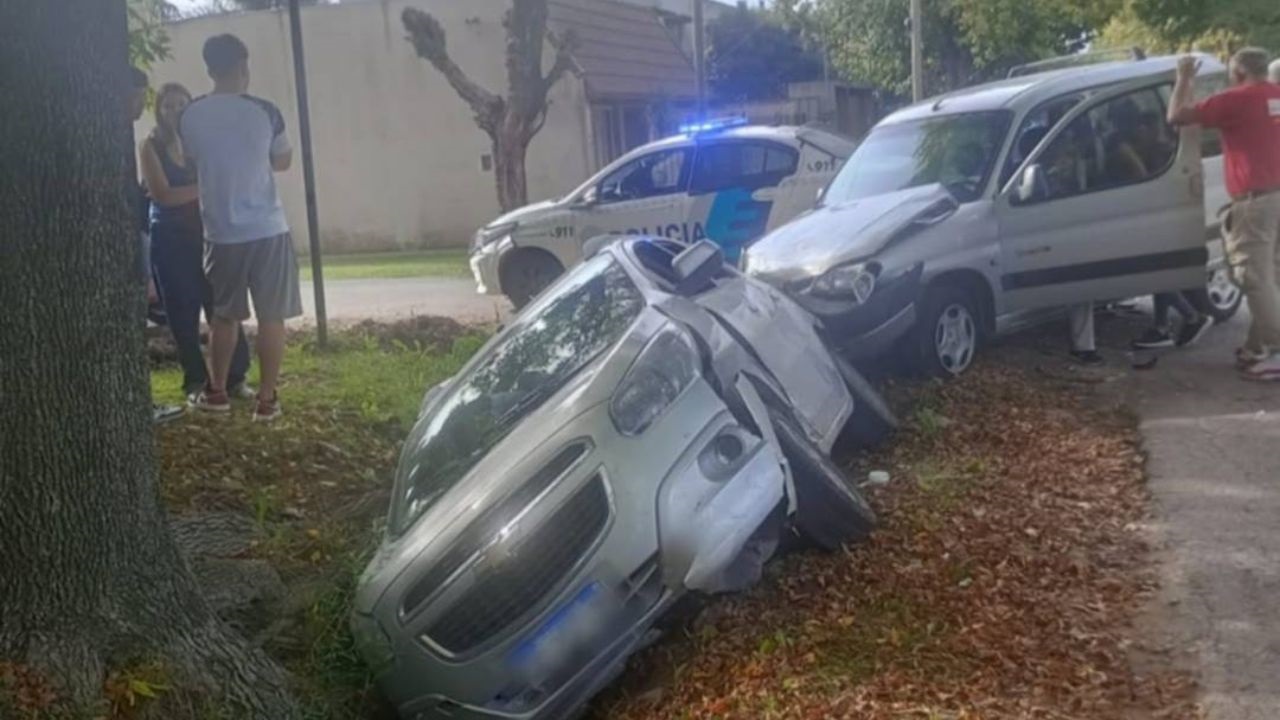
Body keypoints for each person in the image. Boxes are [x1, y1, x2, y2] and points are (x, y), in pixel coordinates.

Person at [181, 34, 302, 420]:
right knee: (271, 316)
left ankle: (216, 393)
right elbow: (282, 161)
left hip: (220, 231)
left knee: (224, 315)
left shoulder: (192, 114)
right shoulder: (266, 111)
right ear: (244, 66)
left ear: (209, 68)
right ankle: (266, 401)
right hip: (268, 228)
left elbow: (190, 160)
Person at [1168, 49, 1280, 380]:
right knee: (1270, 277)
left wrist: (1184, 77)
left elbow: (1176, 116)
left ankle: (1275, 353)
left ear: (1240, 71)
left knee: (1254, 279)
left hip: (1256, 201)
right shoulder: (1276, 96)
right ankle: (1257, 348)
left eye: (1232, 71)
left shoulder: (1235, 100)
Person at [139, 82, 253, 402]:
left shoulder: (202, 142)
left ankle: (234, 377)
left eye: (181, 104)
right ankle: (194, 383)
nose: (175, 110)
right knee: (182, 314)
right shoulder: (150, 146)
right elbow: (163, 195)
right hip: (170, 241)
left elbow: (226, 179)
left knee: (222, 306)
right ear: (159, 111)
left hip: (209, 236)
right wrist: (205, 188)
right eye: (168, 105)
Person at [128, 67, 186, 425]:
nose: (140, 103)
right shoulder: (142, 143)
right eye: (137, 94)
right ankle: (140, 403)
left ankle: (141, 401)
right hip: (140, 240)